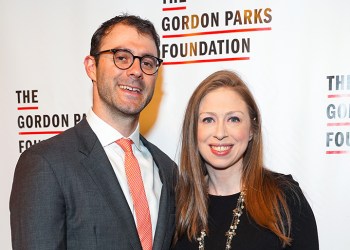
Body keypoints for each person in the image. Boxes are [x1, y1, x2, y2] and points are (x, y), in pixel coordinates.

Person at [10, 14, 177, 250]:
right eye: (122, 58)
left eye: (147, 62)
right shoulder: (46, 164)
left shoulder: (168, 170)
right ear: (92, 67)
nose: (136, 71)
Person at [173, 70, 319, 249]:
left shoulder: (285, 199)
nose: (220, 133)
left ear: (252, 129)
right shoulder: (178, 205)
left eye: (233, 119)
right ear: (192, 130)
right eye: (208, 120)